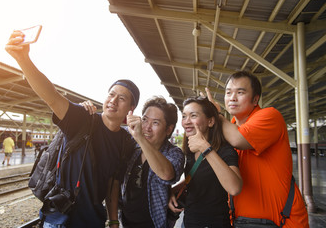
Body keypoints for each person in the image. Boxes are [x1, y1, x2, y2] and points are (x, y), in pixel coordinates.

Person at [5, 30, 139, 228]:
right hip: (60, 219)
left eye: (122, 98)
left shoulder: (125, 141)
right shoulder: (82, 119)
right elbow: (51, 96)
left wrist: (113, 220)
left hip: (93, 221)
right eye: (111, 94)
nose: (113, 101)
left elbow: (113, 182)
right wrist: (24, 59)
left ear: (131, 108)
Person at [206, 71, 309, 227]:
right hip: (241, 221)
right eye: (228, 93)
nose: (232, 97)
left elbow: (238, 139)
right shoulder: (229, 127)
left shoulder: (270, 115)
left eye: (240, 92)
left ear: (255, 99)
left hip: (283, 221)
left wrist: (216, 114)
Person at [168, 96, 242, 228]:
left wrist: (205, 148)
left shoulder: (224, 151)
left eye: (193, 115)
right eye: (184, 116)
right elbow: (193, 177)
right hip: (189, 221)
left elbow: (234, 188)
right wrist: (171, 191)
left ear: (211, 121)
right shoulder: (191, 151)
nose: (186, 121)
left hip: (214, 223)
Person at [121, 96, 185, 228]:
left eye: (155, 123)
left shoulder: (174, 153)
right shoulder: (132, 144)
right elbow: (109, 127)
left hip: (154, 223)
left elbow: (167, 175)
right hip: (125, 221)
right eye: (144, 120)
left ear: (168, 129)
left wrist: (141, 139)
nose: (147, 128)